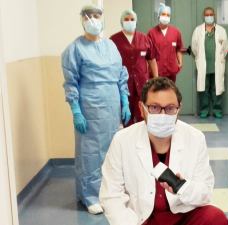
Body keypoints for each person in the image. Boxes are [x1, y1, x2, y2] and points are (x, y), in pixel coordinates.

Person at [99, 77, 228, 225]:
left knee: (215, 217)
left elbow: (204, 192)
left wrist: (183, 187)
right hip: (142, 220)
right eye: (154, 107)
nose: (162, 115)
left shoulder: (195, 138)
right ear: (142, 109)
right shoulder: (122, 140)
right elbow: (111, 196)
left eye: (170, 108)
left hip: (183, 216)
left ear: (178, 109)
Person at [61, 4, 131, 214]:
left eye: (97, 15)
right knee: (90, 153)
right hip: (89, 108)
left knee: (112, 151)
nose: (93, 19)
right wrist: (76, 110)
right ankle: (89, 195)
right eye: (88, 16)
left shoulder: (111, 46)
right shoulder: (74, 49)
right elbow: (71, 82)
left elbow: (120, 76)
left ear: (103, 18)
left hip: (112, 106)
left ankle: (112, 193)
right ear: (82, 20)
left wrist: (125, 101)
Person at [110, 9, 158, 126]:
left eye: (132, 19)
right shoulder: (113, 40)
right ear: (121, 22)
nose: (129, 21)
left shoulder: (144, 38)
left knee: (143, 116)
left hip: (142, 84)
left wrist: (156, 79)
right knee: (127, 118)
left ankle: (143, 141)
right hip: (123, 86)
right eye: (126, 19)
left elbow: (151, 59)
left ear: (136, 22)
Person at [191, 6, 228, 119]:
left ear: (214, 16)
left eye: (211, 14)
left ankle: (217, 110)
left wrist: (220, 58)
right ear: (204, 16)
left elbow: (225, 49)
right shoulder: (198, 30)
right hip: (203, 65)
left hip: (217, 65)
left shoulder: (221, 30)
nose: (209, 17)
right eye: (207, 15)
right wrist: (199, 58)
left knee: (216, 89)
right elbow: (194, 47)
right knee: (204, 89)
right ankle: (204, 110)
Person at [147, 3, 184, 83]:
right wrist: (155, 75)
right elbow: (149, 55)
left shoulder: (176, 32)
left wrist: (180, 61)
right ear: (159, 15)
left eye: (168, 15)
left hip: (171, 71)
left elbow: (179, 48)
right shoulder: (151, 33)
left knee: (170, 93)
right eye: (163, 14)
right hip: (156, 73)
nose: (165, 17)